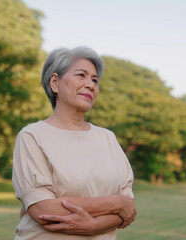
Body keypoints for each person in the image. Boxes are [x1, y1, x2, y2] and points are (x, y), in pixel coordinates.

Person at [12, 46, 137, 240]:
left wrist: (94, 226)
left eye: (95, 80)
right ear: (55, 82)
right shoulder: (32, 136)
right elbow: (44, 210)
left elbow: (128, 209)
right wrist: (116, 203)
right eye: (81, 75)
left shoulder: (107, 138)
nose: (90, 85)